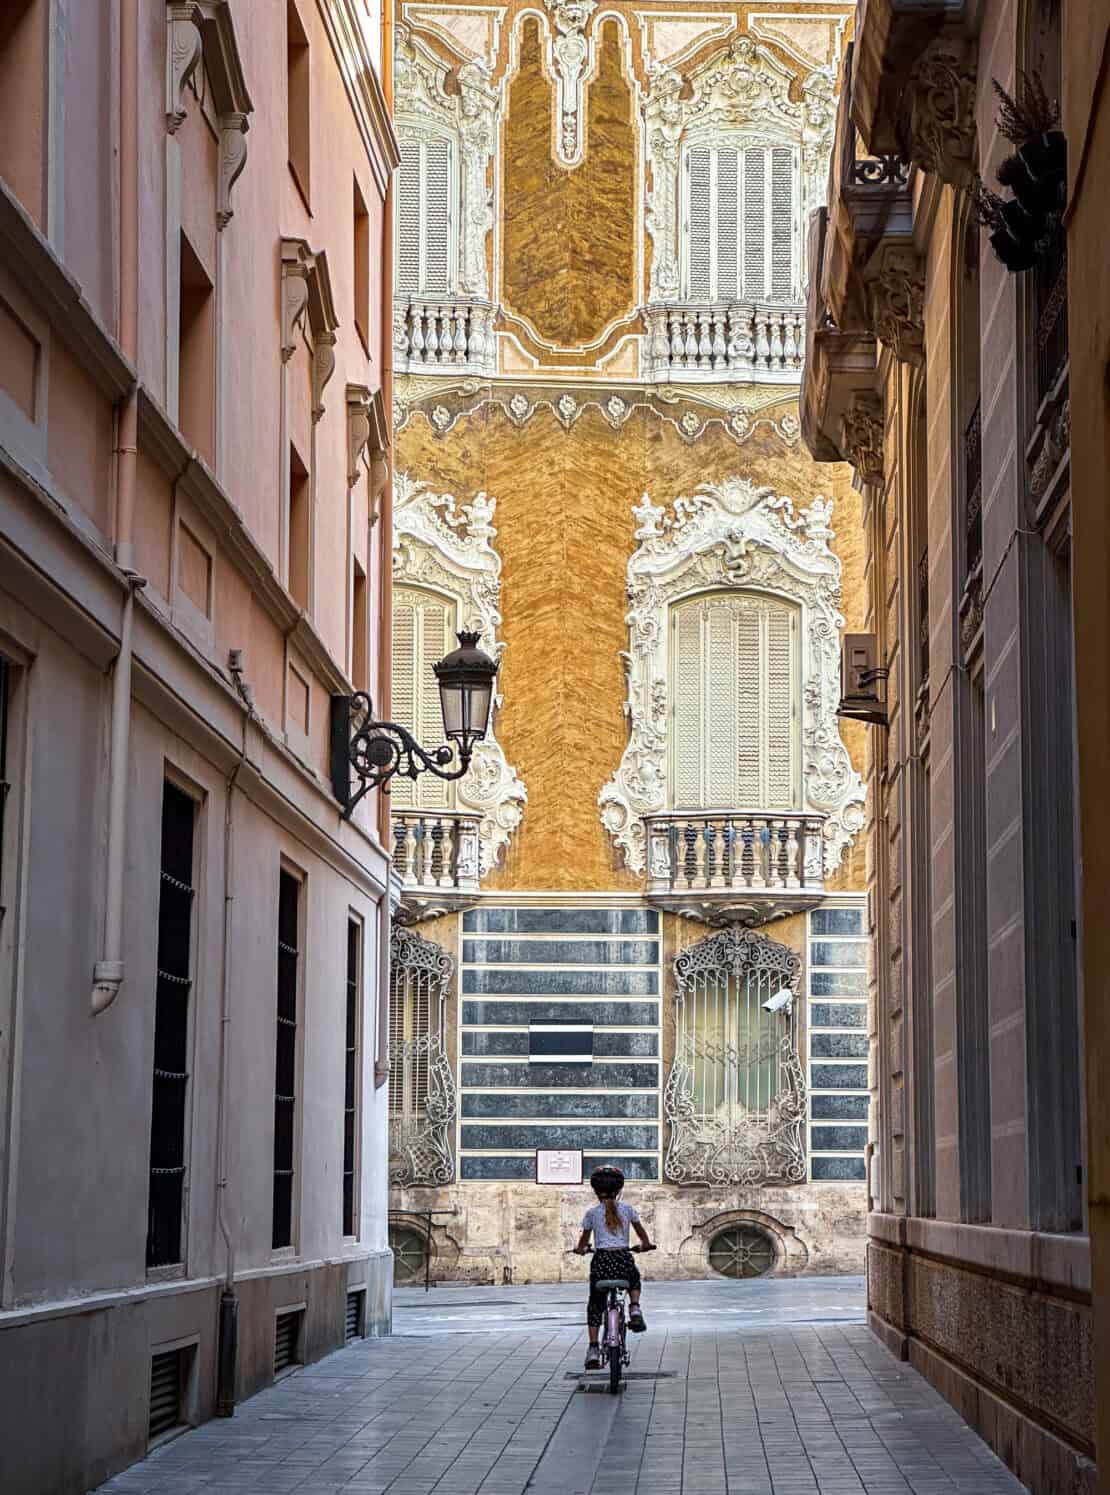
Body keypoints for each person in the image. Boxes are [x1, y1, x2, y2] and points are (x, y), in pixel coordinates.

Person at [573, 1164, 654, 1370]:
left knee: (595, 1305)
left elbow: (583, 1243)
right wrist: (644, 1246)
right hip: (622, 1260)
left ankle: (593, 1349)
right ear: (619, 1190)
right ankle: (634, 1308)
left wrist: (581, 1249)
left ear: (596, 1191)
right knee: (634, 1278)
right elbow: (643, 1238)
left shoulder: (592, 1214)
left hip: (601, 1262)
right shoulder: (628, 1210)